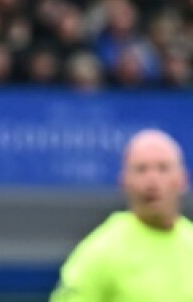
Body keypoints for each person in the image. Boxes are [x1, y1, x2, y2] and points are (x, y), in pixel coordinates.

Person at [51, 129, 193, 301]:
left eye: (163, 168)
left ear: (183, 179)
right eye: (141, 170)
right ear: (124, 181)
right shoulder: (101, 251)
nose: (152, 181)